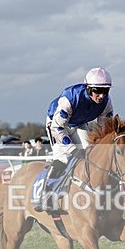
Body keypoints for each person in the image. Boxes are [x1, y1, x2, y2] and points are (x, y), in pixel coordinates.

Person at [35, 67, 115, 212]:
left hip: (79, 124)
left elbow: (104, 130)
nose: (101, 96)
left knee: (89, 155)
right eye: (97, 90)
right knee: (63, 158)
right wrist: (71, 149)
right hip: (56, 124)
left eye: (106, 91)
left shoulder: (106, 103)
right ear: (88, 88)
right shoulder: (71, 97)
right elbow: (57, 128)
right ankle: (46, 195)